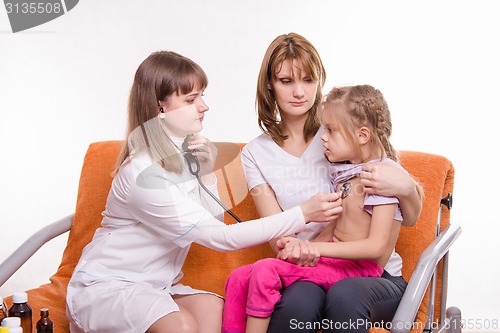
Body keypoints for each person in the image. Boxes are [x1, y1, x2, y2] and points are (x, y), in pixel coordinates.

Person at [65, 50, 342, 333]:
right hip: (107, 287)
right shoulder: (141, 173)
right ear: (159, 107)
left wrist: (206, 174)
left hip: (154, 286)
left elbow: (214, 221)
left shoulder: (179, 159)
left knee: (214, 307)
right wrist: (303, 213)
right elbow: (220, 237)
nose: (204, 106)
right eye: (191, 99)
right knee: (182, 326)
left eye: (201, 96)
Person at [239, 33, 423, 333]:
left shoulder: (342, 132)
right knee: (297, 305)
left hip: (368, 272)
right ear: (269, 85)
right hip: (309, 267)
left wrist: (405, 187)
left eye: (308, 80)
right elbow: (276, 236)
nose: (299, 92)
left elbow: (408, 213)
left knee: (344, 296)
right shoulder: (255, 154)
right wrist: (306, 214)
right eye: (286, 81)